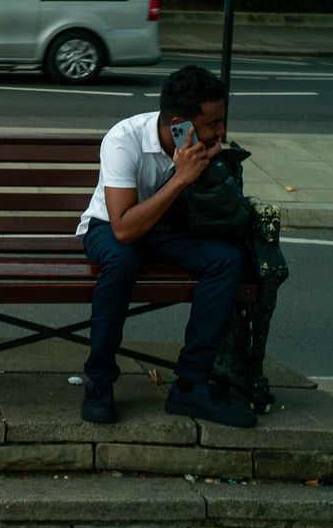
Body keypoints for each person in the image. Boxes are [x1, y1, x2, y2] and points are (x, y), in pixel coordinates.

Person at [75, 64, 256, 428]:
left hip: (165, 230)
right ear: (180, 124)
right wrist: (181, 179)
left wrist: (216, 170)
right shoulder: (123, 139)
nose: (220, 131)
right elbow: (124, 228)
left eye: (221, 122)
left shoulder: (199, 148)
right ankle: (100, 381)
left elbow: (214, 215)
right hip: (110, 227)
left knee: (225, 260)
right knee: (123, 259)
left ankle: (190, 385)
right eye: (212, 124)